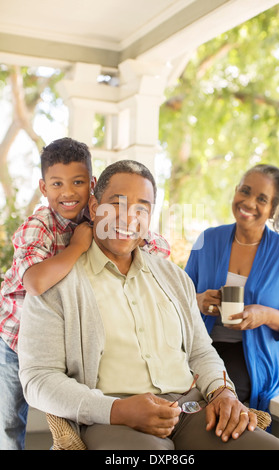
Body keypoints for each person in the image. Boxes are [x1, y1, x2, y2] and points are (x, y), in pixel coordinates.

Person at [18, 160, 279, 449]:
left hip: (193, 411)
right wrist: (116, 410)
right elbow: (38, 379)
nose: (128, 218)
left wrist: (222, 392)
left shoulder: (174, 278)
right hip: (111, 417)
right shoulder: (56, 284)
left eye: (142, 208)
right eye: (118, 203)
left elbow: (201, 351)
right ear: (94, 206)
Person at [0, 140, 169, 450]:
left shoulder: (100, 218)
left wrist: (132, 234)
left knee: (77, 410)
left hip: (67, 339)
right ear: (43, 187)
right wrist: (77, 247)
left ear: (91, 185)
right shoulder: (39, 227)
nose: (68, 192)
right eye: (57, 184)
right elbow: (36, 283)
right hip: (16, 337)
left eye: (78, 182)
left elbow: (159, 247)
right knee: (9, 421)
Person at [185, 164, 279, 413]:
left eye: (261, 199)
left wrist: (265, 315)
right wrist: (198, 299)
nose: (249, 202)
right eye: (245, 191)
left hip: (251, 358)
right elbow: (176, 297)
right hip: (200, 346)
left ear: (273, 208)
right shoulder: (208, 239)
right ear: (236, 191)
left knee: (212, 400)